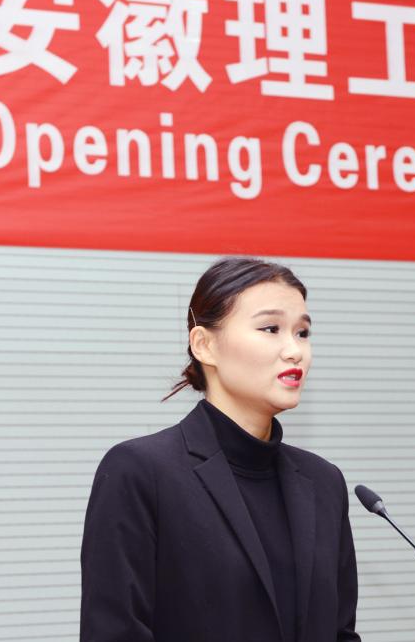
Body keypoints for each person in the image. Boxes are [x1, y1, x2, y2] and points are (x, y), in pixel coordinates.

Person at [80, 256, 362, 642]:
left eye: (302, 332)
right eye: (271, 328)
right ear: (205, 345)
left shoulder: (324, 483)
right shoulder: (141, 472)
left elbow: (340, 632)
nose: (295, 350)